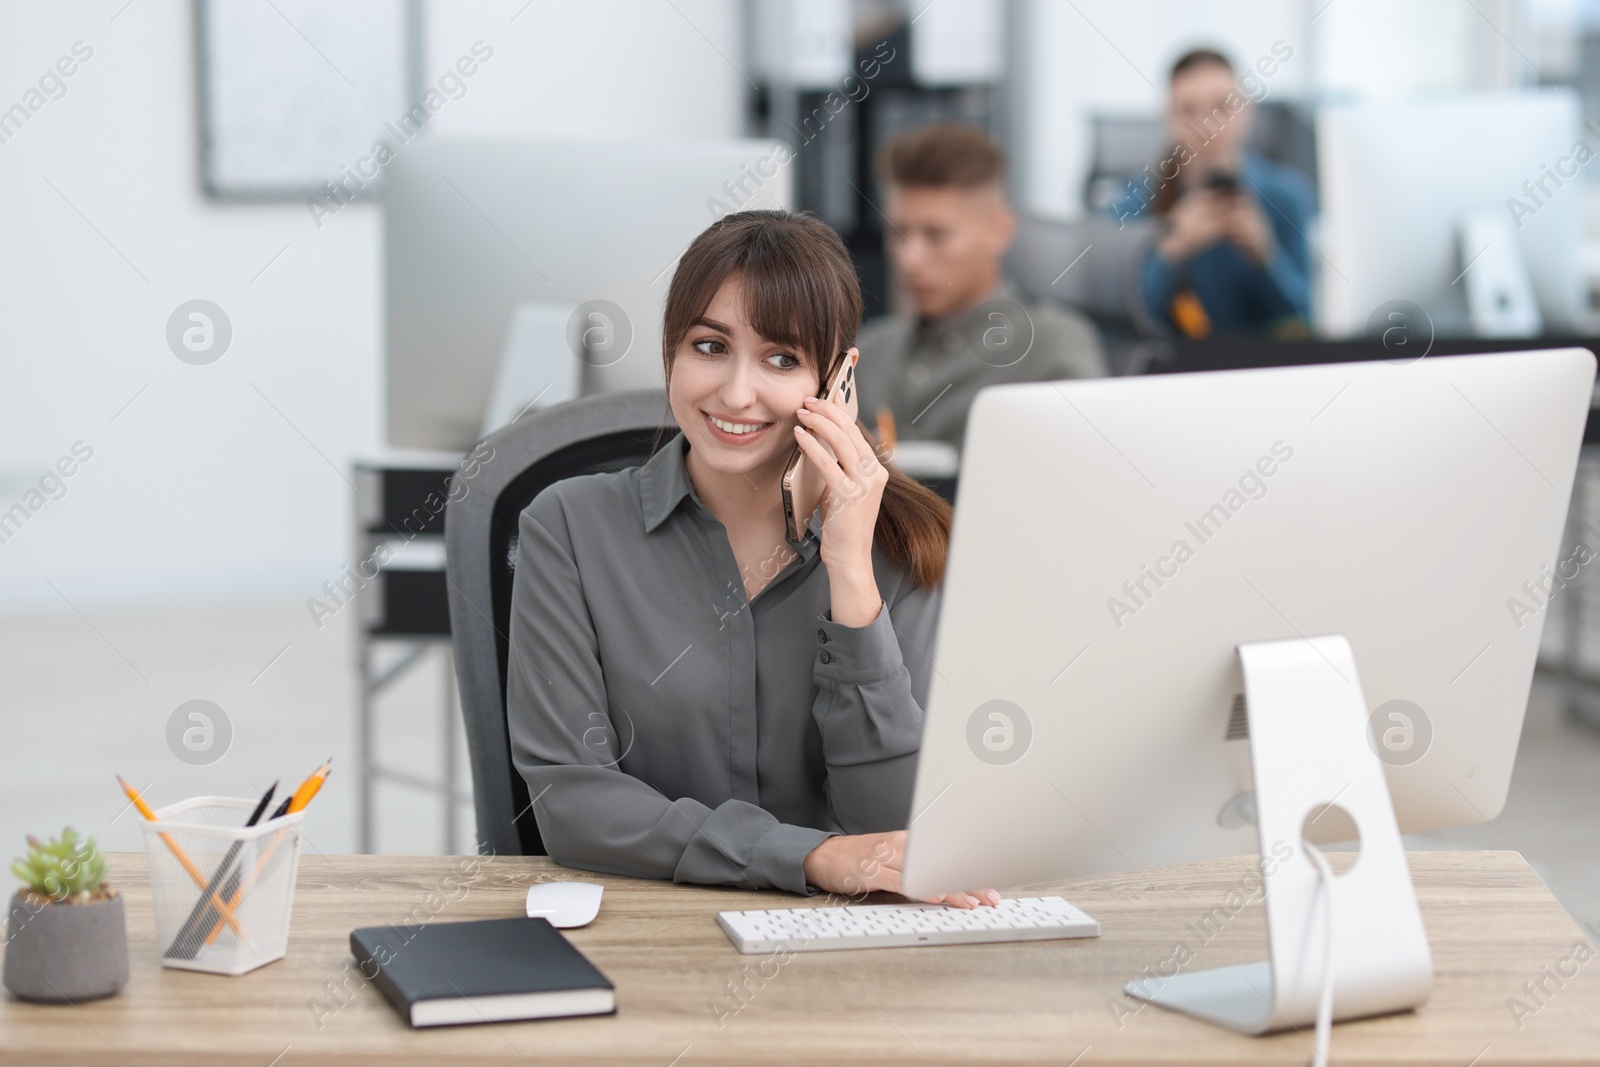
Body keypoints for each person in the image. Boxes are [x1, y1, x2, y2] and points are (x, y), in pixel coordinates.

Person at [505, 209, 997, 907]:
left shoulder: (902, 550)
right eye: (710, 346)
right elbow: (574, 803)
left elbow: (896, 839)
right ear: (672, 350)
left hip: (853, 957)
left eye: (781, 358)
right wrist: (810, 856)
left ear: (839, 382)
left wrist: (851, 574)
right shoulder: (568, 528)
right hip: (647, 940)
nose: (736, 393)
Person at [855, 122, 1105, 451]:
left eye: (936, 235)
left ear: (998, 231)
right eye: (898, 233)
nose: (909, 259)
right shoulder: (867, 353)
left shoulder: (1051, 348)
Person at [1112, 47, 1314, 337]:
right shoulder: (1133, 201)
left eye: (1223, 107)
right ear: (1168, 118)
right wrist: (1170, 249)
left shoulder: (1288, 197)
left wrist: (1266, 258)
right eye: (1188, 110)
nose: (1208, 125)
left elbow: (1305, 322)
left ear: (1249, 111)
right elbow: (1119, 319)